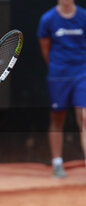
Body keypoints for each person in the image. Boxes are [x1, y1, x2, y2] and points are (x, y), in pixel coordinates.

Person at [37, 0, 86, 178]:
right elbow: (45, 48)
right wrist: (57, 67)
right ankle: (57, 163)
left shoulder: (84, 17)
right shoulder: (48, 19)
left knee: (85, 116)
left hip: (82, 73)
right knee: (58, 118)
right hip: (58, 75)